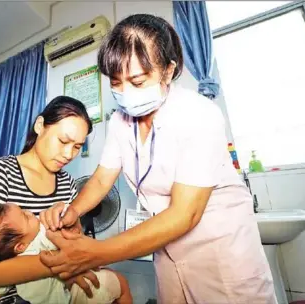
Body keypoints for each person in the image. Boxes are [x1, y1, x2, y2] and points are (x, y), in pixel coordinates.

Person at [39, 14, 278, 303]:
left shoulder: (198, 115)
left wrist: (95, 253)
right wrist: (72, 212)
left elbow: (184, 214)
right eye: (116, 83)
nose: (125, 93)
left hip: (220, 250)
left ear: (167, 71)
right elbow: (103, 177)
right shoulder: (119, 123)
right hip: (167, 249)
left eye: (137, 81)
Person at [0, 96, 117, 304]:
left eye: (77, 146)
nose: (69, 154)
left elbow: (73, 244)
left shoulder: (67, 183)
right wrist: (61, 265)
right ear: (40, 125)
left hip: (56, 293)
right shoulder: (1, 172)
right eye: (63, 141)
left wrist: (73, 231)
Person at [0, 203, 132, 304]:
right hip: (72, 296)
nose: (30, 212)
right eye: (25, 216)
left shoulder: (7, 261)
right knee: (121, 283)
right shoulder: (42, 234)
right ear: (20, 247)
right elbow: (72, 249)